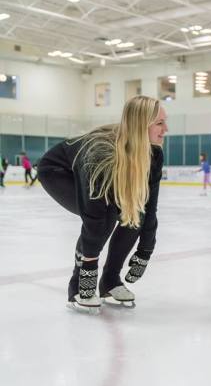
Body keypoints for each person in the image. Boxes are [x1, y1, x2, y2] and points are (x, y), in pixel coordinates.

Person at [37, 96, 167, 313]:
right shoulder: (101, 150)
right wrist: (88, 270)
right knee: (104, 216)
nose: (166, 129)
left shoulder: (154, 153)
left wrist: (146, 248)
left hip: (93, 175)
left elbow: (149, 206)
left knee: (134, 212)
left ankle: (110, 281)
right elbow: (93, 213)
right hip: (58, 172)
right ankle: (76, 287)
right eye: (160, 123)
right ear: (141, 124)